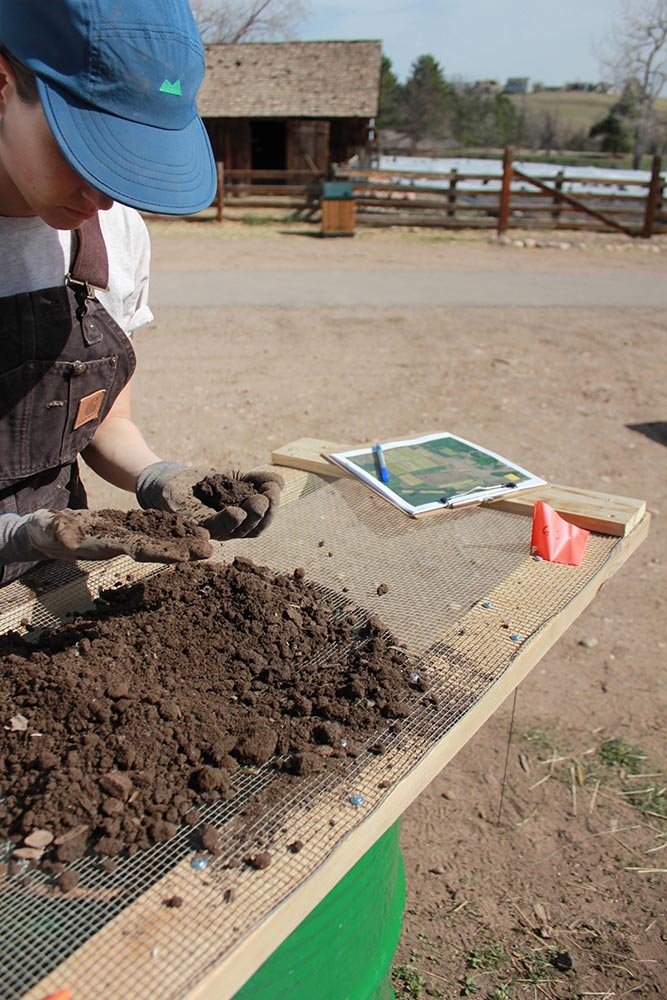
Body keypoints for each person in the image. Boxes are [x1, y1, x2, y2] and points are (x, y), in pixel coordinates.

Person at [0, 0, 283, 585]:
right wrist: (18, 534)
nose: (105, 196)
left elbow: (104, 422)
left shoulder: (112, 235)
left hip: (49, 576)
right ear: (3, 86)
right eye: (86, 149)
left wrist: (160, 478)